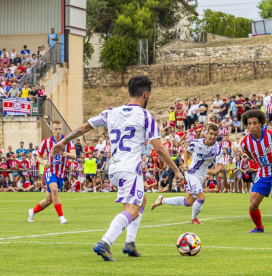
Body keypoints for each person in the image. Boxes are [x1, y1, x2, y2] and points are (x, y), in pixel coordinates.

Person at [52, 75, 184, 261]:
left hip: (113, 169)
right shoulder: (146, 116)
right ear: (146, 94)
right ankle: (105, 242)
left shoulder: (111, 112)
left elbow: (83, 128)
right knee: (133, 210)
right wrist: (176, 170)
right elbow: (159, 149)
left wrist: (63, 141)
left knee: (141, 201)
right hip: (130, 168)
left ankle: (130, 243)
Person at [151, 124, 224, 224]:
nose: (212, 136)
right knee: (201, 197)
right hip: (191, 173)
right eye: (211, 134)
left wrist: (215, 171)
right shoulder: (196, 142)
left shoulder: (218, 148)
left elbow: (220, 165)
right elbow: (187, 152)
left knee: (188, 202)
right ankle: (194, 219)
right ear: (206, 134)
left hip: (201, 176)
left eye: (215, 135)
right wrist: (185, 164)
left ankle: (162, 200)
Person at [27, 121, 76, 224]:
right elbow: (38, 157)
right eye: (56, 129)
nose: (58, 131)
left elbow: (74, 155)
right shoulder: (46, 142)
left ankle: (32, 211)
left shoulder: (68, 140)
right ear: (52, 130)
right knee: (54, 190)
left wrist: (66, 153)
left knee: (49, 200)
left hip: (61, 173)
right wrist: (44, 164)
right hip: (50, 171)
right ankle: (61, 217)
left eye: (59, 129)